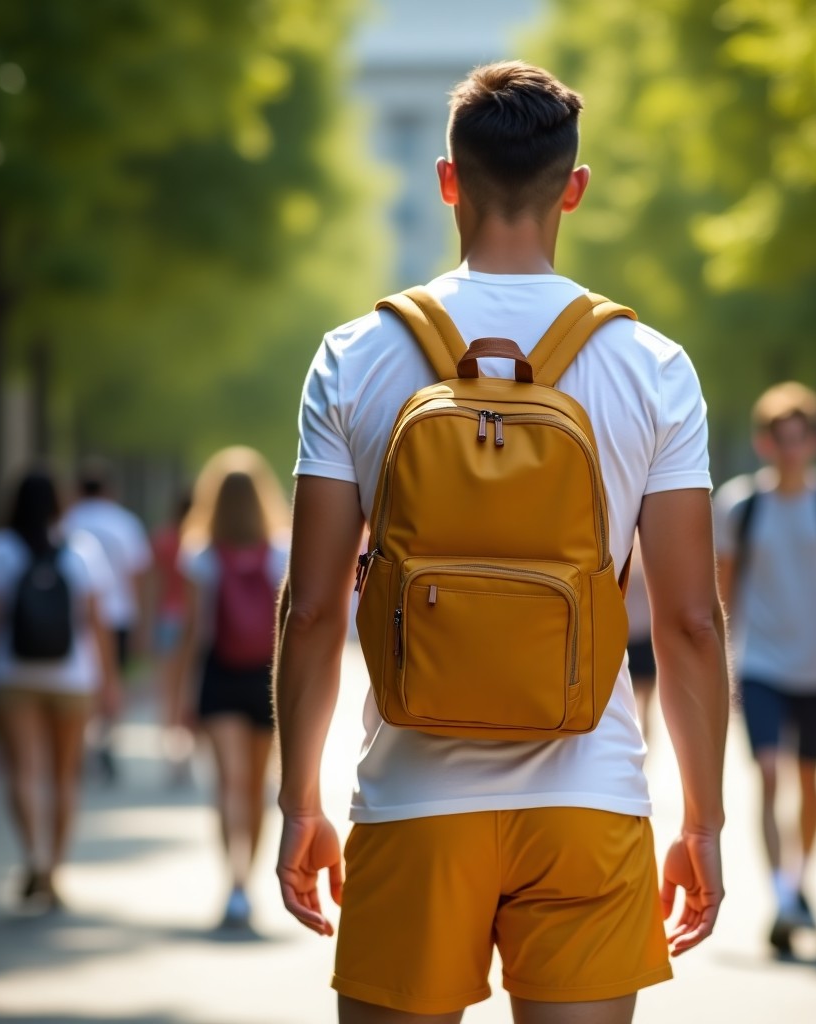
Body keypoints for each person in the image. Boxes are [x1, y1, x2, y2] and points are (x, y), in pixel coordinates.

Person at [274, 61, 729, 1023]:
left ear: (449, 181)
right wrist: (704, 821)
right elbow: (690, 621)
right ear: (575, 187)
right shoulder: (650, 365)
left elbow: (311, 609)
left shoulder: (354, 354)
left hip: (411, 798)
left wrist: (297, 805)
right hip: (591, 795)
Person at [713, 382, 816, 953]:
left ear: (815, 443)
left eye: (798, 441)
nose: (789, 451)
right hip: (758, 662)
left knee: (809, 783)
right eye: (779, 441)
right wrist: (718, 668)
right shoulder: (739, 505)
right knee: (770, 773)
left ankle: (800, 881)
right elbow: (720, 594)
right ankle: (782, 896)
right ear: (764, 443)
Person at [0, 468, 120, 909]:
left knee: (23, 771)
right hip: (72, 677)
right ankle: (55, 869)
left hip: (14, 674)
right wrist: (109, 681)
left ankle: (33, 856)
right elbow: (96, 623)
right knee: (64, 776)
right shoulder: (80, 551)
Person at [177, 447, 290, 928]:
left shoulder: (202, 556)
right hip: (266, 678)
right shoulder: (280, 551)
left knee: (227, 784)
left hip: (220, 676)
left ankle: (235, 882)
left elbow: (197, 631)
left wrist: (183, 692)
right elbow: (290, 625)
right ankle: (249, 886)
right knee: (257, 785)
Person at [62, 457, 152, 782]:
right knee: (113, 680)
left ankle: (82, 740)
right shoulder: (125, 523)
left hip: (76, 617)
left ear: (77, 489)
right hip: (118, 614)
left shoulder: (68, 521)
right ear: (109, 490)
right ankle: (106, 738)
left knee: (83, 679)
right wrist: (143, 619)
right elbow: (138, 575)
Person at [151, 490, 194, 785]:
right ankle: (187, 752)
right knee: (191, 687)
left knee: (170, 690)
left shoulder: (163, 540)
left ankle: (172, 754)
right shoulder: (201, 540)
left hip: (168, 618)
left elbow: (154, 584)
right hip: (194, 621)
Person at [625, 533, 656, 744]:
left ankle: (641, 740)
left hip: (640, 636)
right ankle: (641, 739)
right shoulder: (648, 564)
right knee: (641, 701)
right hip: (636, 636)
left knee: (640, 699)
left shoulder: (629, 563)